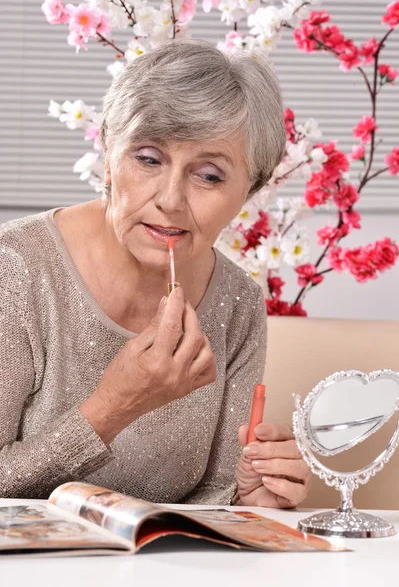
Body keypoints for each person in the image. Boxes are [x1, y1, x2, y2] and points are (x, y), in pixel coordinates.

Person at [0, 39, 311, 507]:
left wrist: (250, 498)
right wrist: (112, 407)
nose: (170, 199)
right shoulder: (16, 267)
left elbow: (212, 500)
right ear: (108, 153)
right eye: (147, 159)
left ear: (249, 191)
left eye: (208, 175)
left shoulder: (239, 303)